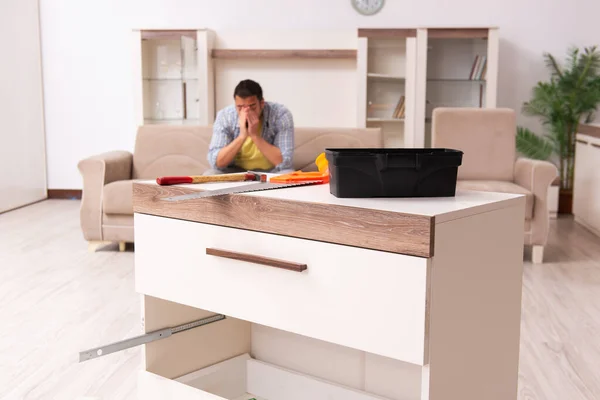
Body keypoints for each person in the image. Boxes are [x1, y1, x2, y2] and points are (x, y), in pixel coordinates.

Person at [204, 79, 295, 175]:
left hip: (271, 172)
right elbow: (217, 163)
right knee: (210, 174)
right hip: (233, 171)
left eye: (252, 106)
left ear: (262, 103)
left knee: (288, 174)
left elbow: (285, 162)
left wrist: (255, 136)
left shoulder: (280, 114)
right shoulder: (225, 116)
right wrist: (242, 136)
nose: (246, 112)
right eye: (240, 107)